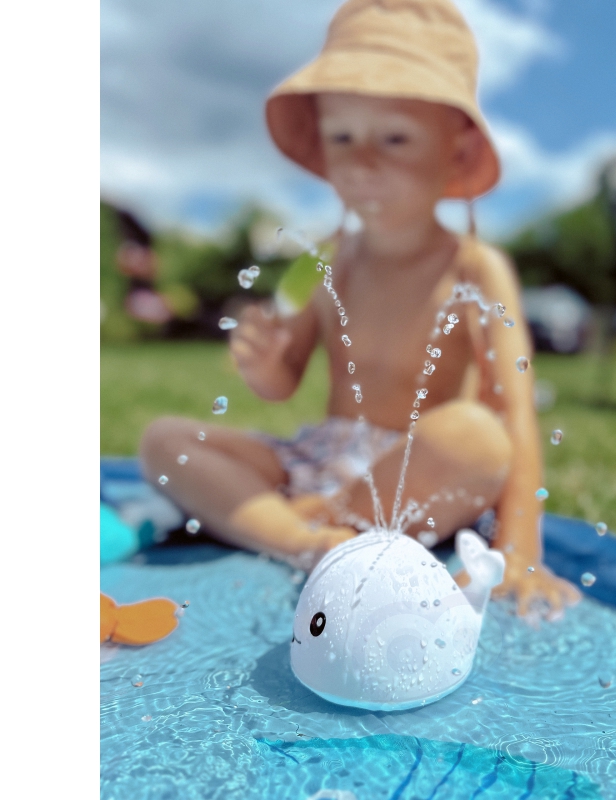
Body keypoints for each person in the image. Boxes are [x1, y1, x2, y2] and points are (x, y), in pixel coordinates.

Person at [140, 0, 580, 619]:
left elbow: (515, 411)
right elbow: (282, 379)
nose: (361, 160)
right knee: (165, 441)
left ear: (455, 152)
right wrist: (264, 362)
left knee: (479, 438)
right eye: (341, 136)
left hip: (411, 473)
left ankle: (289, 523)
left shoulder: (476, 269)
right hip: (318, 457)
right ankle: (312, 541)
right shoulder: (324, 258)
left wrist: (520, 550)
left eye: (395, 137)